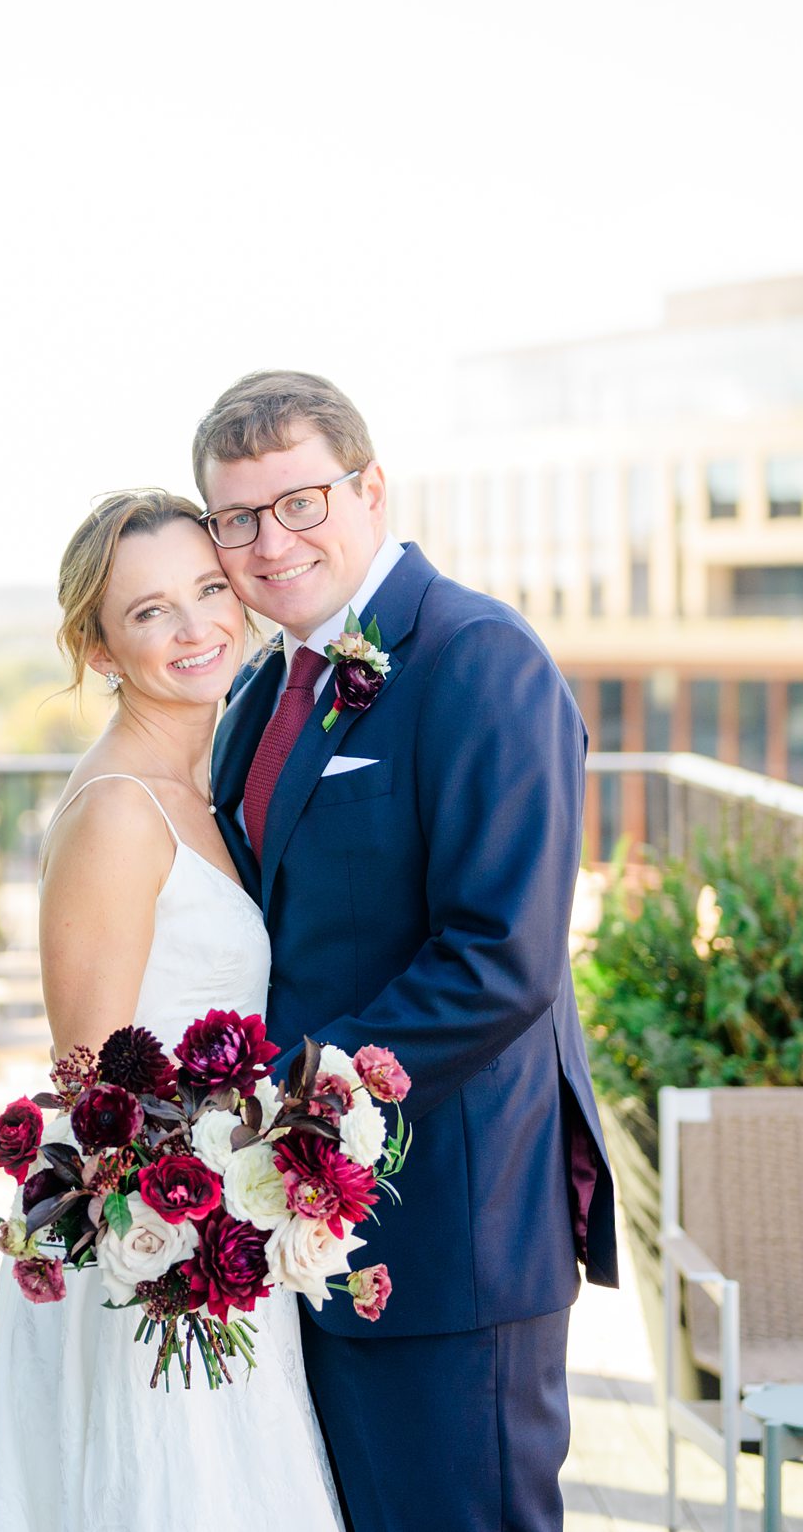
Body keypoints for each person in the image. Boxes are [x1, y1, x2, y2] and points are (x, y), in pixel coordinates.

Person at [197, 370, 617, 1532]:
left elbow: (500, 954)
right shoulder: (256, 694)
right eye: (237, 518)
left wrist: (288, 1097)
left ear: (371, 488)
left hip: (448, 1230)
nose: (270, 544)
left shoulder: (481, 658)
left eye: (300, 502)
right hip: (301, 1230)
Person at [0, 489, 345, 1532]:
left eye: (210, 589)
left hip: (226, 1232)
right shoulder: (119, 809)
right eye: (150, 612)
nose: (196, 627)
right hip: (156, 1258)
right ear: (98, 644)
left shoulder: (209, 781)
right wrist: (185, 1227)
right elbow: (89, 1085)